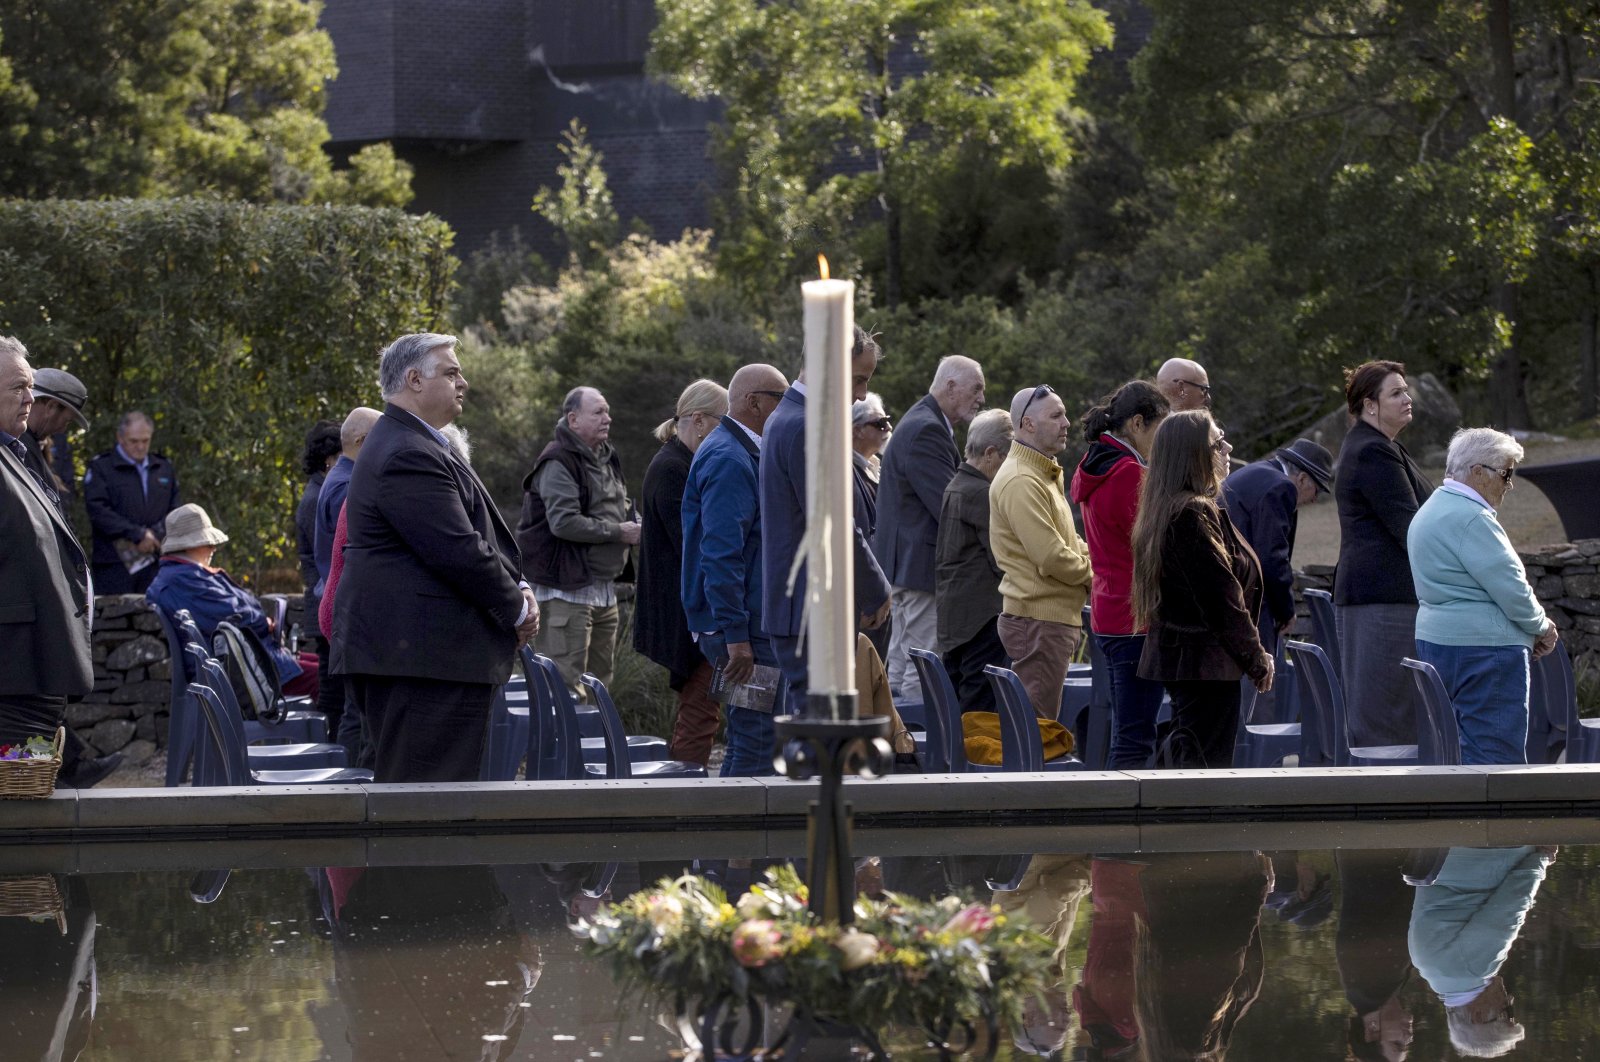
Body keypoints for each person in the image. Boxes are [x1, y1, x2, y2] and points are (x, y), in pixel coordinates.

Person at [332, 333, 537, 783]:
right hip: (422, 664)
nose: (462, 382)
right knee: (424, 812)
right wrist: (518, 607)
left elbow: (473, 538)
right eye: (451, 372)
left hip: (427, 660)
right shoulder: (406, 451)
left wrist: (518, 586)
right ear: (414, 380)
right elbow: (456, 550)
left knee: (432, 809)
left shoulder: (418, 442)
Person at [760, 326, 892, 716]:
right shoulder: (806, 425)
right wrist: (877, 590)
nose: (861, 395)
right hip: (812, 611)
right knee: (824, 741)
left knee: (818, 739)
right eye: (858, 379)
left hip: (804, 608)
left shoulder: (790, 418)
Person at [1130, 411, 1273, 768]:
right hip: (1203, 664)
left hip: (1199, 663)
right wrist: (1255, 658)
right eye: (1216, 442)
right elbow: (1221, 598)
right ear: (1192, 453)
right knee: (1203, 771)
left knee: (1192, 760)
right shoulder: (1190, 513)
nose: (1227, 449)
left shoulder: (1180, 508)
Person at [1408, 428, 1558, 765]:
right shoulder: (1471, 518)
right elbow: (1512, 586)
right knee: (1495, 762)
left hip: (1440, 643)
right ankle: (1491, 820)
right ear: (1478, 473)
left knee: (1458, 753)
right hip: (1484, 652)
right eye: (1506, 474)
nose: (1510, 484)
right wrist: (1541, 626)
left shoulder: (1432, 509)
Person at [682, 364, 790, 775]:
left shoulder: (739, 449)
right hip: (742, 634)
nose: (786, 408)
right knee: (756, 741)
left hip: (744, 626)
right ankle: (738, 836)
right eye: (781, 399)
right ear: (754, 402)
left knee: (757, 737)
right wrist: (736, 638)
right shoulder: (728, 456)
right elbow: (720, 555)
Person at [0, 337, 99, 785]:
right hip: (12, 678)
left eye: (30, 387)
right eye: (17, 387)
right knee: (20, 820)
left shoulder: (15, 452)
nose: (29, 398)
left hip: (33, 677)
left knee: (33, 802)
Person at [1069, 380, 1170, 769]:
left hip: (1109, 611)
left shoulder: (1094, 465)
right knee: (1134, 737)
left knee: (1127, 728)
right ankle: (1124, 819)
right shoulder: (1129, 473)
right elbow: (1153, 544)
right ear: (1139, 424)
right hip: (1135, 617)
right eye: (1160, 431)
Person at [874, 356, 985, 701]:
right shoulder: (927, 428)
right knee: (922, 669)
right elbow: (949, 506)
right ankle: (916, 749)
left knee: (901, 663)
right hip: (921, 571)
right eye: (976, 389)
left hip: (907, 569)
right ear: (951, 387)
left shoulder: (921, 421)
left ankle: (899, 746)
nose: (981, 399)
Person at [1334, 360, 1433, 748]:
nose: (1407, 398)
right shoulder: (1372, 451)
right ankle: (1388, 802)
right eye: (1396, 393)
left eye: (1406, 390)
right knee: (1385, 717)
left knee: (1393, 711)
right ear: (1369, 404)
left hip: (1382, 597)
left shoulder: (1384, 445)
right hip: (1381, 600)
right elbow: (1413, 528)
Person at [520, 386, 640, 696]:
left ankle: (597, 745)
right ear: (573, 420)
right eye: (598, 412)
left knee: (601, 686)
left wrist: (633, 523)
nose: (608, 418)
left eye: (608, 411)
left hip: (603, 590)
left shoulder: (607, 458)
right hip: (567, 591)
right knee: (564, 688)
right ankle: (564, 747)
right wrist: (620, 532)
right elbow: (564, 523)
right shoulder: (558, 461)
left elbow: (613, 507)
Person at [635, 378, 729, 767]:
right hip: (685, 614)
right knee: (700, 709)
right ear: (700, 420)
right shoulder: (674, 468)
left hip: (685, 608)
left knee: (704, 708)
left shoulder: (678, 461)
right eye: (725, 423)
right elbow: (691, 544)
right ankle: (686, 791)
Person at [988, 385, 1093, 721]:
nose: (1067, 423)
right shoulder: (1021, 479)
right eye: (1056, 415)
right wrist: (1101, 575)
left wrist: (1099, 560)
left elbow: (1069, 541)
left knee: (1039, 729)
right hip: (1039, 622)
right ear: (1028, 425)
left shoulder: (1041, 472)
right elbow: (1050, 557)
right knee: (1037, 733)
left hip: (1048, 620)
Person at [147, 503, 319, 699]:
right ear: (189, 545)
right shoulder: (184, 581)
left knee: (328, 668)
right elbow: (234, 617)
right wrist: (263, 622)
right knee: (328, 679)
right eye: (206, 542)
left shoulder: (185, 576)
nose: (213, 547)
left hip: (250, 662)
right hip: (247, 671)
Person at [1409, 846, 1554, 1060]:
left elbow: (1513, 905)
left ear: (1477, 1016)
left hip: (1478, 857)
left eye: (1506, 1013)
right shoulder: (1430, 972)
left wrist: (1541, 859)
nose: (1510, 999)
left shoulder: (1471, 972)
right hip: (1443, 856)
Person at [934, 408, 1013, 713]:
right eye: (1008, 456)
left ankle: (957, 760)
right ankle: (972, 761)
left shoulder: (956, 485)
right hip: (981, 618)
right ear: (991, 454)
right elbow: (1002, 558)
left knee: (958, 702)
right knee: (978, 707)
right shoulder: (981, 492)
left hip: (957, 617)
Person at [313, 407, 380, 740]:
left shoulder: (341, 478)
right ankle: (352, 787)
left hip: (340, 607)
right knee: (356, 718)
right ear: (364, 440)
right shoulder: (348, 487)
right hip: (345, 612)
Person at [84, 410, 181, 594]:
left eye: (145, 441)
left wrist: (155, 535)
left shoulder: (163, 468)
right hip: (115, 565)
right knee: (115, 621)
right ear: (120, 438)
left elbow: (175, 509)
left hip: (156, 560)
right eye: (134, 441)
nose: (140, 447)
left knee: (157, 619)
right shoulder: (102, 468)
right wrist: (137, 534)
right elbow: (98, 510)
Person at [851, 392, 892, 658]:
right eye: (880, 423)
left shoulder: (872, 468)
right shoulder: (846, 470)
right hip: (862, 601)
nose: (888, 428)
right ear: (857, 430)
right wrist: (871, 596)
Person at [296, 420, 342, 639]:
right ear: (327, 461)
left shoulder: (320, 492)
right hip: (324, 606)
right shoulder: (316, 498)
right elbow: (326, 555)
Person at [19, 367, 90, 507]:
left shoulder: (28, 443)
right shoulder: (19, 446)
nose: (63, 429)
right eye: (66, 421)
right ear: (51, 406)